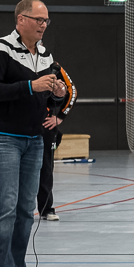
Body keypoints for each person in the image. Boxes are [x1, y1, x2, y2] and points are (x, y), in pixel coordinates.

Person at [0, 0, 67, 267]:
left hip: (34, 139)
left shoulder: (45, 54)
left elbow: (47, 95)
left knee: (25, 211)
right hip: (3, 137)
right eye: (38, 19)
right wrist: (32, 86)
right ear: (21, 19)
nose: (43, 25)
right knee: (5, 207)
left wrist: (56, 94)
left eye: (46, 20)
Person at [37, 62, 75, 221]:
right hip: (21, 124)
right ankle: (17, 210)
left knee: (46, 167)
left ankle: (46, 209)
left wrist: (60, 117)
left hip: (45, 125)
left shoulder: (52, 65)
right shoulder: (15, 61)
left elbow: (72, 91)